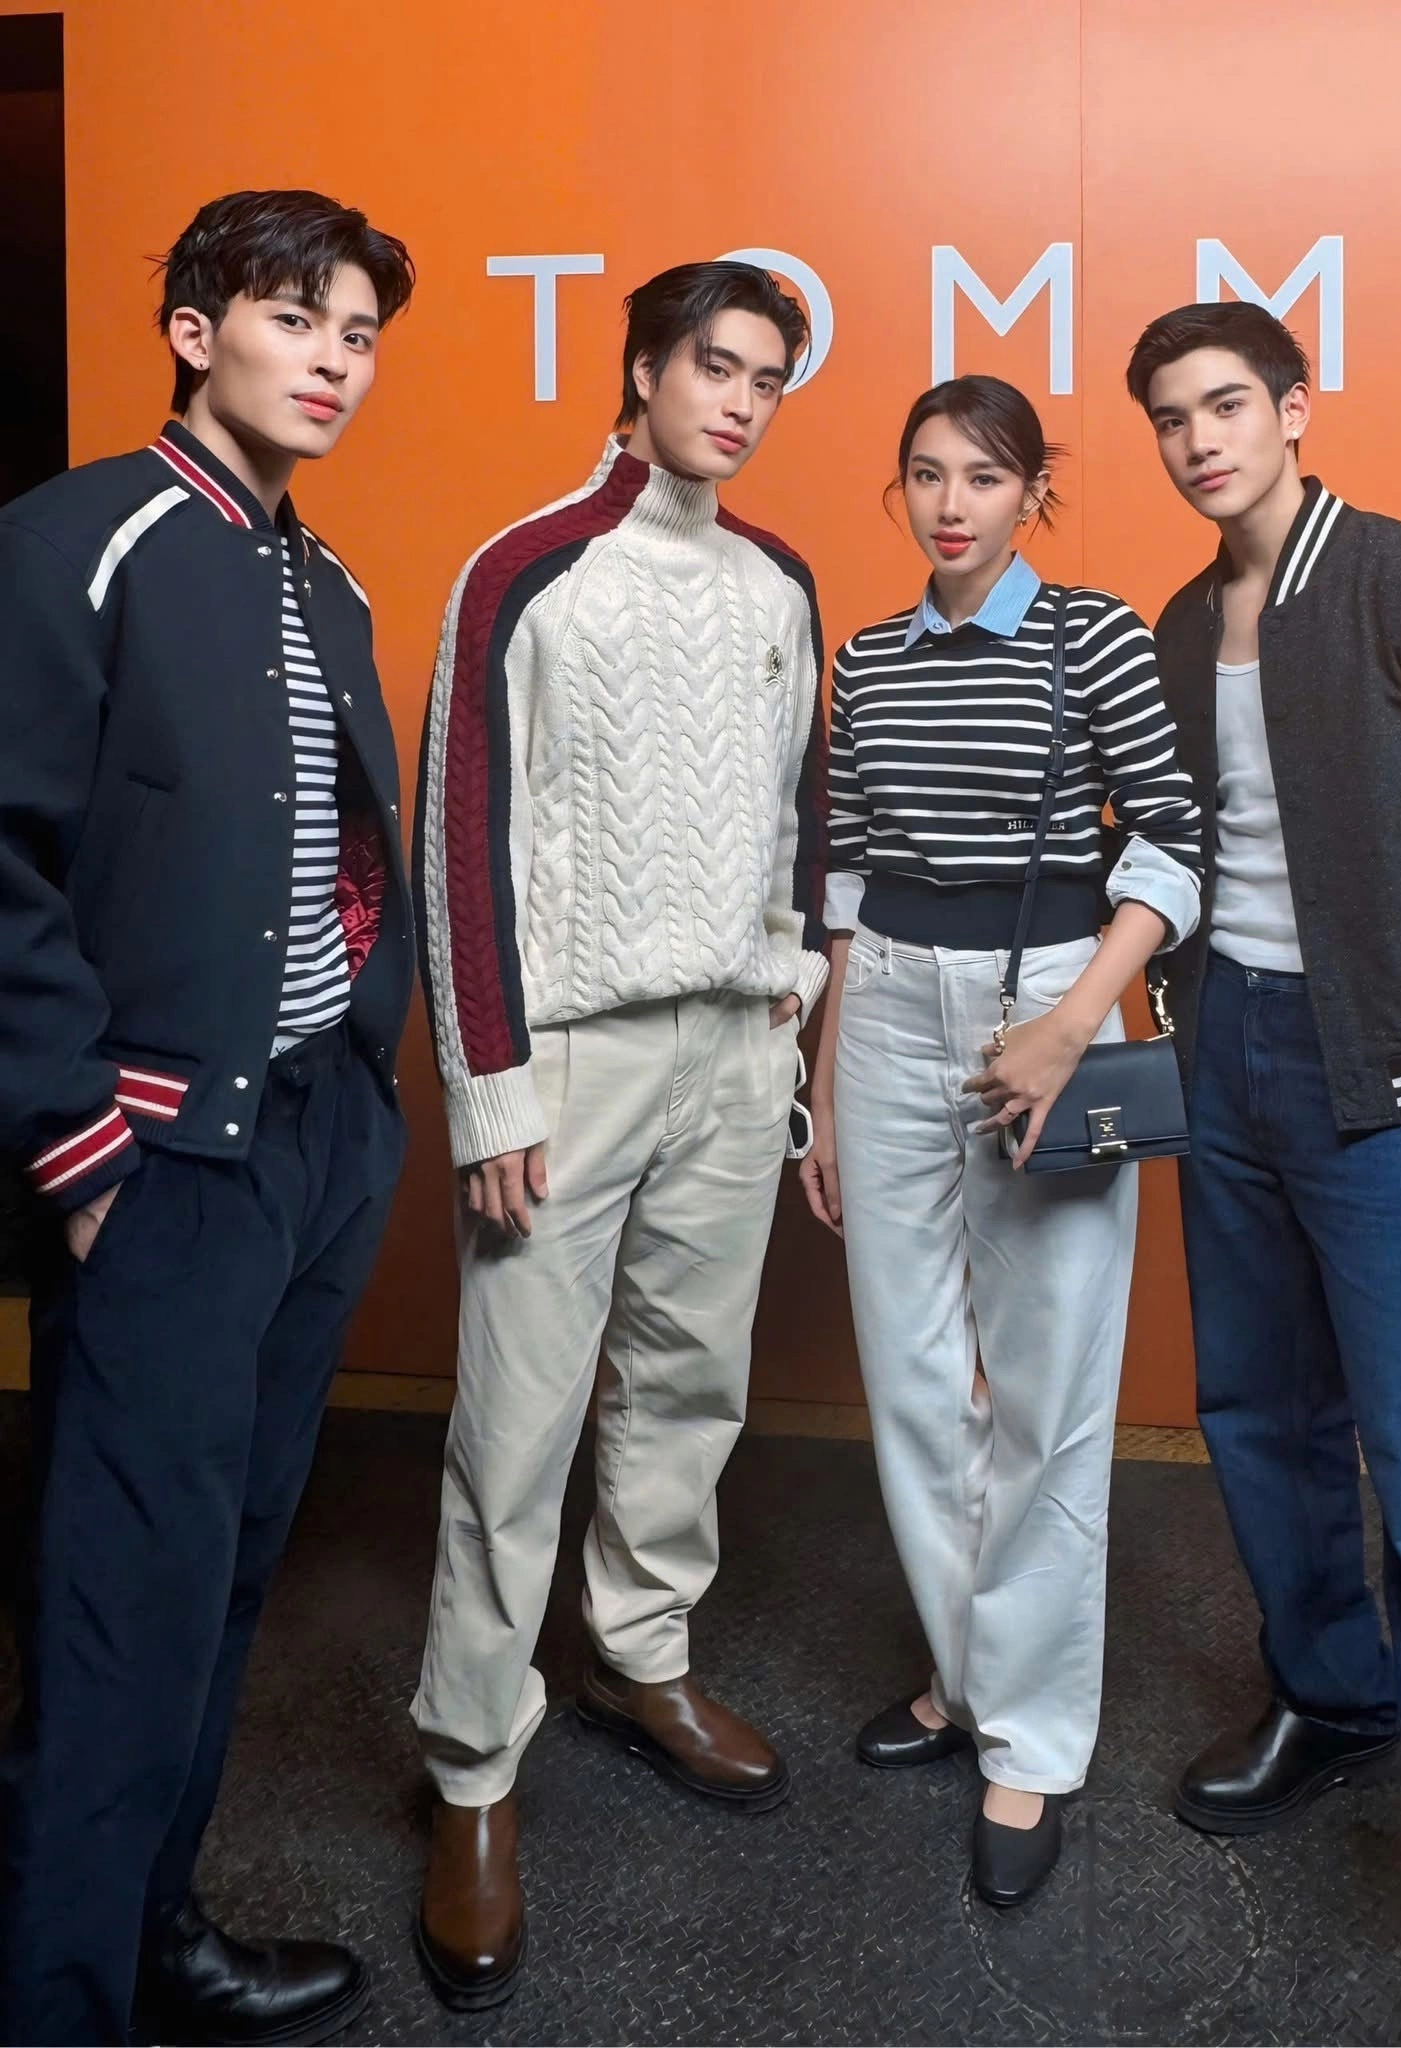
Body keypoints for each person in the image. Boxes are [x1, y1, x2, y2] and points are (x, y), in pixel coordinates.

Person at [0, 190, 416, 2046]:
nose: (334, 360)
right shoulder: (74, 540)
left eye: (359, 334)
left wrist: (371, 1089)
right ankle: (62, 2001)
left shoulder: (328, 581)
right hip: (159, 1164)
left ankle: (156, 1936)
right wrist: (76, 1139)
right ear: (194, 331)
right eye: (296, 318)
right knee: (121, 1611)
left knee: (231, 1572)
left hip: (315, 1143)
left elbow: (343, 862)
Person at [410, 259, 828, 2010]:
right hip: (570, 1057)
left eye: (766, 381)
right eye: (713, 367)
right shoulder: (525, 569)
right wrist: (489, 1082)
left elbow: (801, 811)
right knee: (516, 1423)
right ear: (645, 370)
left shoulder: (780, 580)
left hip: (734, 1044)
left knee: (689, 1382)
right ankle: (471, 1766)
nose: (738, 403)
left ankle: (638, 1654)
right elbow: (460, 833)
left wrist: (794, 1000)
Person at [1126, 298, 1401, 2047]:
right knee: (1258, 1410)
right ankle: (1333, 1694)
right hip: (1224, 1042)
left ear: (1297, 407)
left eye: (1227, 404)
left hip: (1373, 1062)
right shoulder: (1178, 619)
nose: (1200, 440)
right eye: (1170, 418)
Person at [796, 374, 1201, 1907]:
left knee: (1048, 1392)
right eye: (925, 474)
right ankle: (966, 1677)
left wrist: (1073, 1024)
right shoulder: (869, 658)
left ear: (1036, 491)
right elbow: (847, 883)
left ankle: (1030, 1737)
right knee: (912, 1380)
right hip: (890, 1011)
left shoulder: (1091, 636)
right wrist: (829, 1085)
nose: (950, 503)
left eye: (982, 475)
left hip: (1048, 1001)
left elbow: (1172, 841)